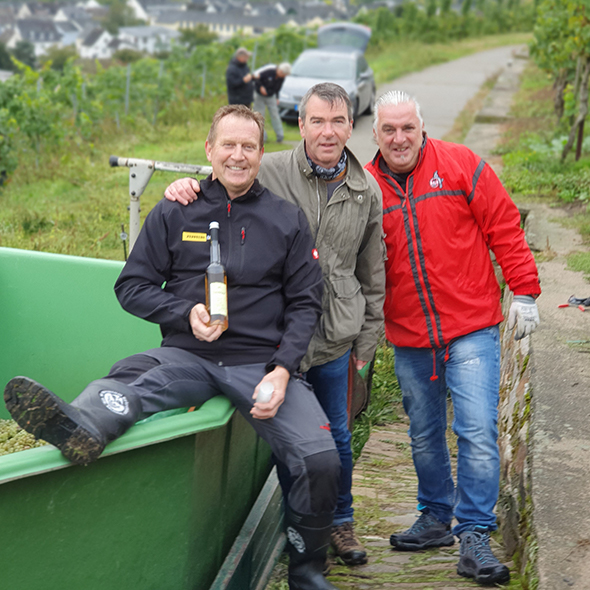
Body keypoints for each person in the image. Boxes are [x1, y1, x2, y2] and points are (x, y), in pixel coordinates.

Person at [4, 105, 343, 590]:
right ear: (209, 150)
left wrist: (283, 370)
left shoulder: (285, 219)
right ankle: (79, 425)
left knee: (319, 459)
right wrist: (183, 314)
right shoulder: (175, 210)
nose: (238, 155)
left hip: (258, 365)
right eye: (228, 144)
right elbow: (132, 285)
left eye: (249, 146)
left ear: (261, 154)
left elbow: (308, 304)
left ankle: (308, 575)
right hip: (189, 356)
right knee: (134, 376)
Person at [164, 83, 385, 567]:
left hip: (331, 338)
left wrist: (367, 343)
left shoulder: (366, 190)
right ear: (301, 124)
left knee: (335, 437)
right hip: (273, 336)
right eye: (317, 121)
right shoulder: (272, 166)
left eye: (338, 121)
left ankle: (338, 524)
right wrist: (185, 188)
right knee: (289, 439)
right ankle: (299, 528)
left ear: (352, 125)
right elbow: (225, 181)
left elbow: (373, 271)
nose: (328, 131)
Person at [366, 90, 541, 586]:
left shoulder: (461, 165)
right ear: (375, 134)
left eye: (408, 128)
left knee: (477, 431)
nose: (399, 138)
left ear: (422, 129)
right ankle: (435, 518)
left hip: (470, 328)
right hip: (410, 335)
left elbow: (504, 225)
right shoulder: (366, 186)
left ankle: (475, 533)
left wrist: (524, 291)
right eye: (389, 130)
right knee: (423, 436)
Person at [253, 62, 291, 143]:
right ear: (280, 71)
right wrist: (260, 87)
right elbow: (257, 79)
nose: (284, 76)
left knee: (275, 115)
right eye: (284, 74)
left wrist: (277, 97)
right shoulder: (269, 71)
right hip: (259, 96)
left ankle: (280, 135)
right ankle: (262, 137)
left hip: (271, 96)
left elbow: (278, 88)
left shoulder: (282, 78)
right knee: (259, 115)